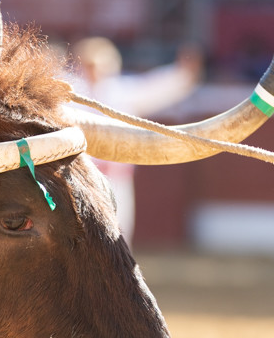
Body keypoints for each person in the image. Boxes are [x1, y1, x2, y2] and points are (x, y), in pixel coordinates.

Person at [71, 37, 202, 246]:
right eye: (89, 65)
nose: (95, 72)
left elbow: (156, 87)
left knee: (118, 239)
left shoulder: (122, 93)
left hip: (116, 180)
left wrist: (183, 73)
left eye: (100, 66)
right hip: (79, 179)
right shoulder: (69, 93)